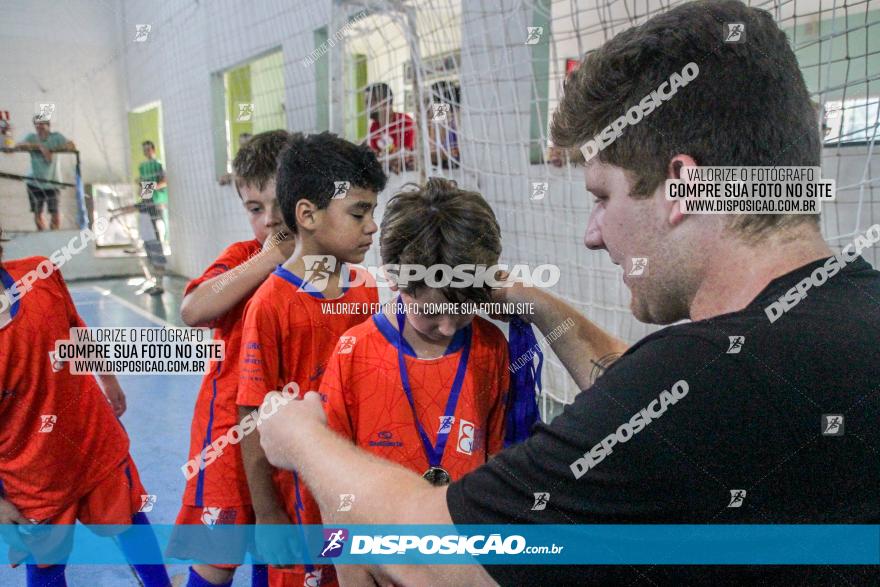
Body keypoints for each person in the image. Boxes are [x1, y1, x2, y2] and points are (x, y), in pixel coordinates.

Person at [255, 1, 880, 585]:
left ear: (683, 187)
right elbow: (634, 393)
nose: (591, 234)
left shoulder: (705, 381)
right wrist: (534, 303)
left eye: (602, 195)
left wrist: (300, 437)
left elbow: (435, 555)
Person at [314, 178, 511, 583]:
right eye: (433, 312)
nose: (449, 326)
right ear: (395, 278)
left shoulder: (491, 348)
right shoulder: (354, 353)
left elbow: (495, 460)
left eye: (465, 310)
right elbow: (328, 476)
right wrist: (346, 566)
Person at [236, 132, 387, 587]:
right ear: (307, 214)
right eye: (359, 213)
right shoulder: (270, 305)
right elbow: (250, 413)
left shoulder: (366, 290)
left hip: (360, 491)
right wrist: (266, 512)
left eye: (373, 213)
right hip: (301, 502)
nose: (372, 227)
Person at [0, 230, 170, 587]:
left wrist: (107, 377)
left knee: (131, 524)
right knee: (47, 568)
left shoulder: (39, 274)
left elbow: (75, 329)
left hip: (93, 441)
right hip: (31, 476)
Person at [170, 130, 297, 587]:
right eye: (254, 209)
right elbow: (193, 309)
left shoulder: (321, 269)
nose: (268, 221)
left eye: (278, 204)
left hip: (288, 438)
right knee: (213, 562)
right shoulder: (244, 257)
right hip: (227, 435)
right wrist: (267, 261)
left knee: (280, 550)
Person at [17, 116, 71, 231]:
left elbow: (72, 145)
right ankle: (43, 238)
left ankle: (54, 237)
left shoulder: (56, 137)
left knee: (55, 213)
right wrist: (39, 147)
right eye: (36, 124)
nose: (38, 127)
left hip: (53, 183)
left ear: (48, 125)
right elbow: (18, 145)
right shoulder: (31, 137)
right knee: (38, 214)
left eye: (41, 124)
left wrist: (52, 149)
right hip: (34, 182)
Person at [364, 83, 415, 173]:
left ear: (383, 101)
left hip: (408, 174)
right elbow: (375, 156)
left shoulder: (405, 122)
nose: (365, 107)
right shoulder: (374, 127)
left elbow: (405, 156)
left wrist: (383, 158)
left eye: (368, 102)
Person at [138, 140, 169, 244]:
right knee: (149, 226)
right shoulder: (143, 167)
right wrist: (142, 190)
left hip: (159, 200)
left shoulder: (159, 164)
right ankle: (153, 248)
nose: (146, 152)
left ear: (153, 149)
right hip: (148, 200)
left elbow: (164, 182)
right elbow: (142, 183)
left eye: (148, 149)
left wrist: (149, 188)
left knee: (159, 224)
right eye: (144, 150)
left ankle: (162, 244)